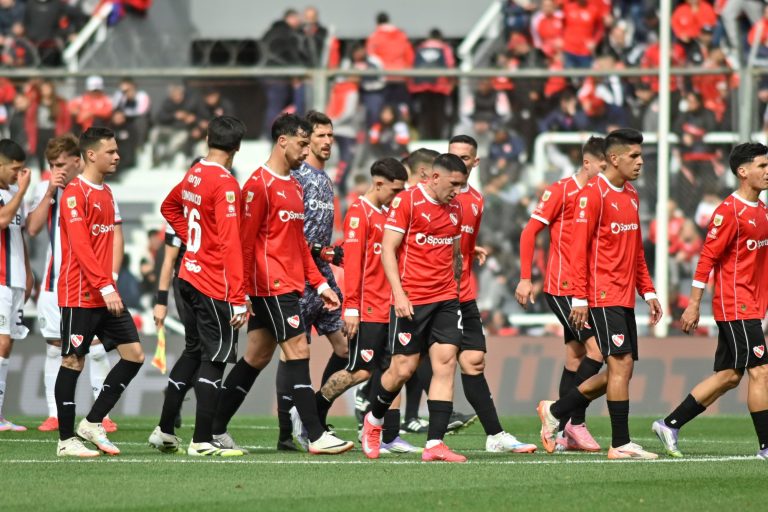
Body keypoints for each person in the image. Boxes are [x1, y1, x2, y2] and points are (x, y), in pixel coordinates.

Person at [210, 113, 353, 454]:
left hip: (291, 282)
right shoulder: (258, 186)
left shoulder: (295, 186)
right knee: (298, 350)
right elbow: (244, 244)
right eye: (303, 143)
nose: (307, 151)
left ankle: (213, 429)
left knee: (257, 357)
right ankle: (316, 434)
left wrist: (319, 284)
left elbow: (298, 244)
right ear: (282, 141)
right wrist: (241, 293)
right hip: (269, 284)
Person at [536, 128, 663, 460]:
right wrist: (579, 297)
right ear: (614, 158)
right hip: (601, 295)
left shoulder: (632, 194)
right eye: (634, 156)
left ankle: (556, 410)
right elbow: (577, 250)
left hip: (624, 296)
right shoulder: (593, 195)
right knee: (619, 366)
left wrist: (647, 290)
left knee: (621, 371)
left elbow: (635, 249)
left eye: (641, 155)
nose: (640, 162)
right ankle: (620, 443)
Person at [652, 142, 768, 460]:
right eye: (762, 165)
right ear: (743, 172)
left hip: (751, 304)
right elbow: (706, 259)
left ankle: (669, 424)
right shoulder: (728, 212)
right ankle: (766, 446)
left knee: (730, 376)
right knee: (761, 371)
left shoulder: (761, 210)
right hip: (735, 303)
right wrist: (693, 303)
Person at [148, 117, 248, 457]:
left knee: (193, 351)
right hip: (212, 282)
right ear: (237, 147)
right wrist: (237, 298)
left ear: (207, 139)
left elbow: (168, 206)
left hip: (187, 277)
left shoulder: (194, 172)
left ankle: (164, 429)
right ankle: (202, 439)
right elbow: (231, 244)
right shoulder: (225, 183)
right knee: (215, 358)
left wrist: (193, 240)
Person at [361, 153, 467, 463]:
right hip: (412, 300)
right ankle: (374, 420)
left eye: (462, 186)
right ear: (434, 178)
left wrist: (456, 286)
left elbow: (455, 252)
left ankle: (435, 444)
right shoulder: (406, 202)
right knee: (402, 370)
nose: (457, 191)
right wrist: (399, 294)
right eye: (453, 184)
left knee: (446, 363)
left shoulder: (456, 208)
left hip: (446, 297)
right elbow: (388, 251)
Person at [314, 157, 418, 453]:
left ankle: (383, 434)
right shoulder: (360, 213)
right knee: (360, 371)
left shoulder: (386, 213)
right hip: (369, 306)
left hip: (388, 306)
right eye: (396, 191)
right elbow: (355, 265)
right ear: (379, 183)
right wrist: (352, 308)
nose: (399, 197)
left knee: (389, 370)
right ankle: (310, 412)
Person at [54, 127, 144, 457]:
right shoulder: (75, 194)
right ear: (91, 155)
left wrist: (110, 282)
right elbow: (81, 248)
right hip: (80, 293)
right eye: (111, 151)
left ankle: (92, 422)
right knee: (73, 361)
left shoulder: (106, 193)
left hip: (105, 294)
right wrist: (106, 285)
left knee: (134, 355)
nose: (117, 156)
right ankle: (66, 440)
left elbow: (108, 244)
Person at [27, 134, 122, 433]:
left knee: (95, 347)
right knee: (56, 348)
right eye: (52, 165)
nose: (58, 170)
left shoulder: (95, 190)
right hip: (55, 284)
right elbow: (32, 228)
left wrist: (112, 278)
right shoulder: (47, 189)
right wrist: (49, 194)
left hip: (90, 283)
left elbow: (115, 234)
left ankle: (100, 414)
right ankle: (55, 414)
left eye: (62, 164)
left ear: (78, 159)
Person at [516, 137, 606, 452]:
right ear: (588, 163)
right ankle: (566, 418)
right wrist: (526, 278)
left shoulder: (603, 195)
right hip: (564, 287)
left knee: (575, 357)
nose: (607, 171)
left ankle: (567, 430)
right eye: (603, 166)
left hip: (589, 288)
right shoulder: (561, 191)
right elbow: (529, 232)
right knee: (597, 353)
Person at [449, 135, 537, 453]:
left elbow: (462, 239)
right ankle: (374, 422)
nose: (458, 161)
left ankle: (495, 435)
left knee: (474, 361)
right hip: (431, 294)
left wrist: (472, 250)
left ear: (475, 162)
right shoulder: (430, 197)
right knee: (403, 367)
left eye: (464, 157)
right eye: (453, 155)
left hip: (464, 293)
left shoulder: (476, 200)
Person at [282, 111, 347, 445]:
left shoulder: (325, 179)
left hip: (320, 273)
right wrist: (327, 253)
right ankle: (291, 428)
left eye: (330, 136)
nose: (326, 142)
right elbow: (297, 235)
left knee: (345, 346)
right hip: (298, 272)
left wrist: (330, 254)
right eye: (320, 136)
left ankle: (312, 413)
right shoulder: (300, 177)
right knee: (292, 351)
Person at [0, 138, 31, 432]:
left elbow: (20, 234)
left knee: (6, 347)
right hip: (0, 279)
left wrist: (28, 272)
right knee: (2, 341)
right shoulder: (9, 194)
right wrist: (22, 191)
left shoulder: (12, 193)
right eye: (15, 169)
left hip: (16, 279)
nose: (19, 175)